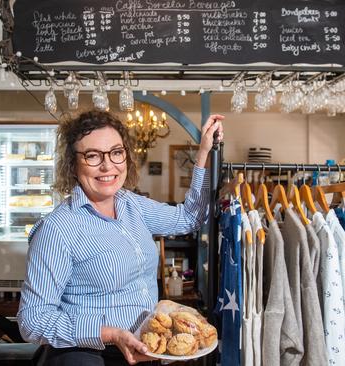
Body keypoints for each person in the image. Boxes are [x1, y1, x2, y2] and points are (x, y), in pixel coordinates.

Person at [17, 110, 224, 365]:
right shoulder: (57, 229)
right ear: (72, 164)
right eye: (92, 156)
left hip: (143, 352)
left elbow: (189, 219)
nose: (108, 165)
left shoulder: (132, 205)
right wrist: (111, 334)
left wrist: (203, 153)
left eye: (116, 152)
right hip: (88, 356)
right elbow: (32, 321)